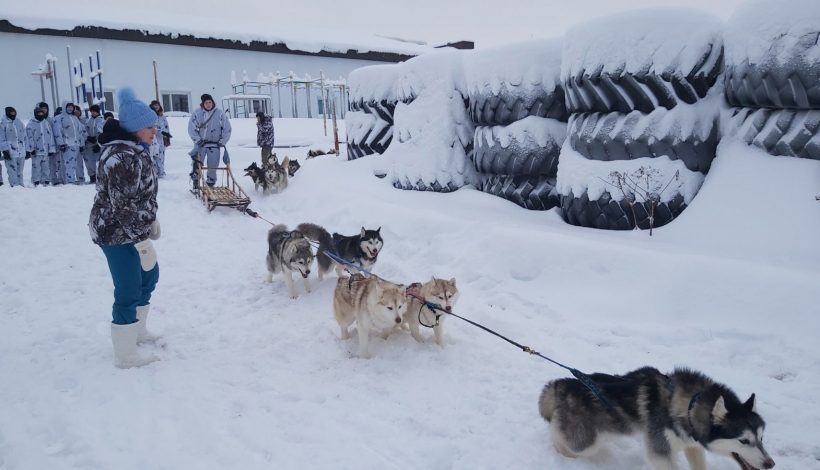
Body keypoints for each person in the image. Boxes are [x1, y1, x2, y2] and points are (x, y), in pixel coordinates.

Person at [88, 87, 162, 369]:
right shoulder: (121, 157)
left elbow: (139, 197)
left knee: (149, 276)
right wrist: (143, 241)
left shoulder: (135, 150)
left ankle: (137, 330)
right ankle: (125, 353)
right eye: (148, 125)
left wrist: (149, 220)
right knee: (129, 286)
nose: (154, 130)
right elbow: (122, 208)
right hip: (113, 232)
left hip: (131, 228)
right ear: (134, 128)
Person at [188, 93, 231, 187]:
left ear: (213, 102)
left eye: (210, 102)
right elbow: (191, 128)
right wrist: (197, 139)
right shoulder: (197, 113)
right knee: (197, 164)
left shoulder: (219, 113)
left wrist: (222, 141)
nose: (208, 104)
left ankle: (210, 182)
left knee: (212, 165)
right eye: (206, 102)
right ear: (203, 104)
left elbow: (227, 128)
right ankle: (196, 181)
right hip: (201, 144)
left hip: (214, 145)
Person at [26, 106, 56, 187]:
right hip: (36, 151)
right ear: (35, 114)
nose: (40, 114)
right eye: (39, 113)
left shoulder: (46, 123)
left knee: (46, 167)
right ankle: (36, 181)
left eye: (41, 113)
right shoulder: (31, 124)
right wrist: (31, 148)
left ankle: (46, 181)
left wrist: (51, 149)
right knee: (36, 167)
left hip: (45, 150)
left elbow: (50, 137)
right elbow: (29, 137)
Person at [54, 102, 83, 184]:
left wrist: (81, 144)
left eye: (71, 107)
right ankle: (69, 182)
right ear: (64, 107)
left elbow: (80, 131)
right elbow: (57, 131)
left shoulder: (75, 118)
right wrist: (61, 143)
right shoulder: (59, 118)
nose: (70, 108)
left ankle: (69, 180)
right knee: (68, 164)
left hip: (76, 144)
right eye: (68, 107)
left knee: (74, 164)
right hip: (67, 144)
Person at [0, 106, 29, 187]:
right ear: (7, 113)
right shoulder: (3, 124)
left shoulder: (19, 122)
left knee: (20, 171)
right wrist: (5, 151)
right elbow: (1, 139)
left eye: (14, 112)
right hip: (10, 152)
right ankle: (15, 187)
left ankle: (21, 185)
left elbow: (25, 137)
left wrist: (27, 149)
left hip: (21, 152)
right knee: (12, 171)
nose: (13, 114)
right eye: (11, 113)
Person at [37, 102, 61, 186]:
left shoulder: (51, 120)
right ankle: (42, 181)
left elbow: (56, 133)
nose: (44, 110)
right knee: (42, 165)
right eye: (42, 108)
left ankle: (54, 179)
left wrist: (57, 145)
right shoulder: (36, 121)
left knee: (53, 164)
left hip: (52, 147)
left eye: (45, 108)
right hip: (41, 148)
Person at [83, 104, 105, 184]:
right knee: (89, 161)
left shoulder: (102, 121)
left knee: (100, 161)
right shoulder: (88, 121)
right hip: (89, 144)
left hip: (99, 144)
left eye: (94, 111)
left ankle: (101, 177)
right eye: (92, 111)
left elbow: (103, 133)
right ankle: (92, 176)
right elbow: (84, 131)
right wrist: (88, 138)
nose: (93, 113)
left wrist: (99, 144)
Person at [149, 100, 170, 178]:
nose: (156, 106)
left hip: (161, 140)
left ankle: (161, 172)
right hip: (152, 140)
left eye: (157, 105)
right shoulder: (150, 115)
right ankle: (154, 172)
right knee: (154, 156)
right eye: (154, 105)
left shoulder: (162, 116)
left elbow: (166, 126)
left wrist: (166, 135)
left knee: (161, 156)